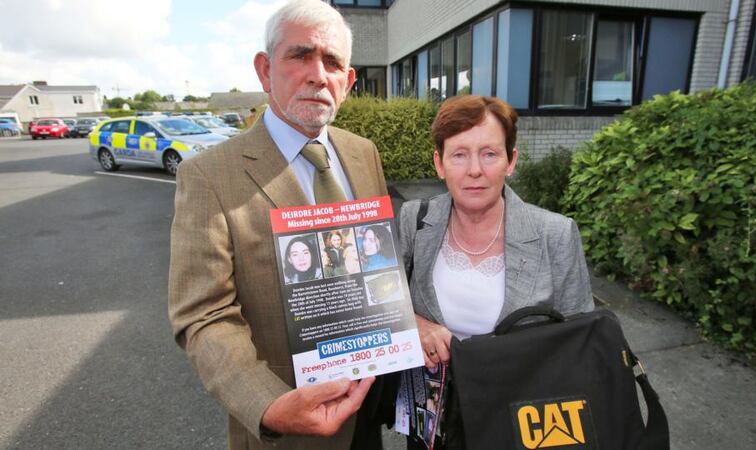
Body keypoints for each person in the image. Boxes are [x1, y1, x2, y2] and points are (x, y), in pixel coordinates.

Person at [168, 1, 389, 449]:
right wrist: (267, 405)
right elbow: (203, 314)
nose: (316, 74)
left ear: (347, 83)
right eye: (300, 55)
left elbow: (376, 260)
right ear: (265, 70)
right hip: (287, 429)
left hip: (369, 412)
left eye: (332, 62)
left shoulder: (363, 153)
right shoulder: (209, 176)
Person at [397, 95, 594, 447]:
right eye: (459, 155)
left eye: (489, 153)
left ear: (511, 161)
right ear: (439, 164)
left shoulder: (555, 234)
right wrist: (415, 323)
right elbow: (384, 301)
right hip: (434, 418)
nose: (475, 170)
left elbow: (580, 344)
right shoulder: (415, 220)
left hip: (521, 423)